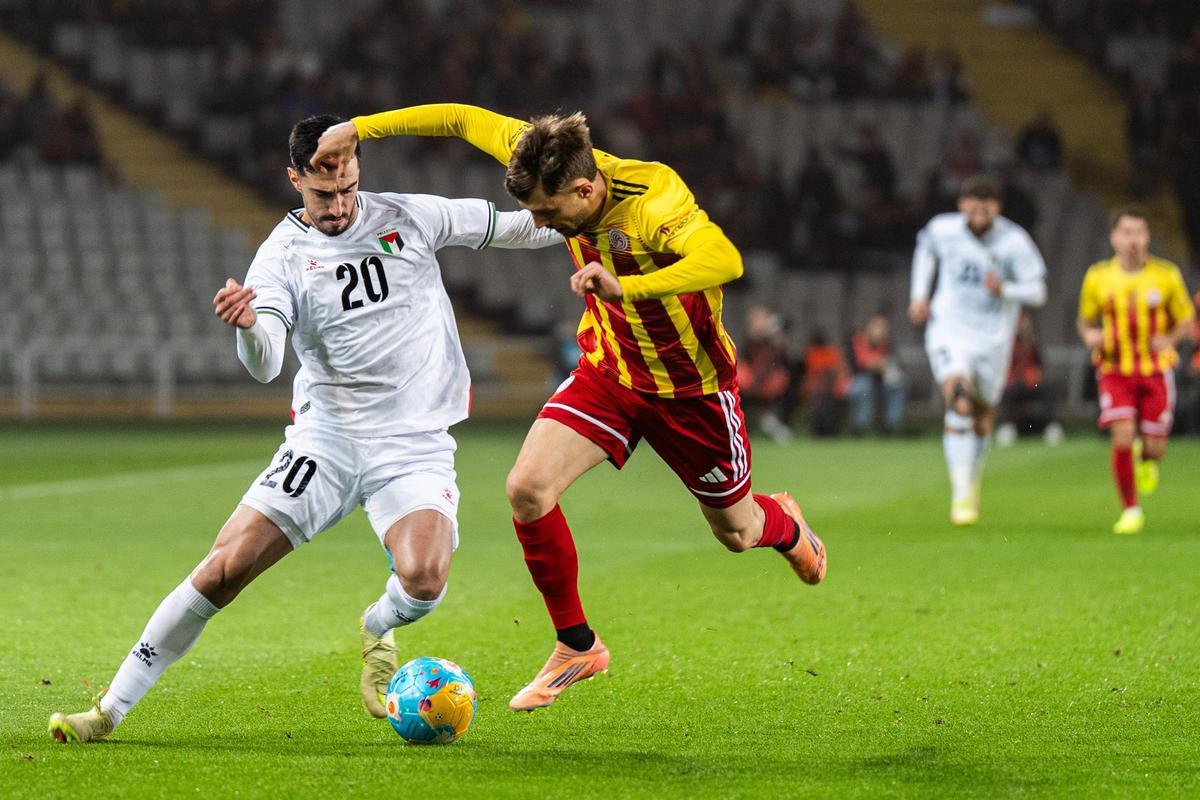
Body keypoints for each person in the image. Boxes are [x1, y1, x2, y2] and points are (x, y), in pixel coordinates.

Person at [47, 114, 562, 743]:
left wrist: (588, 208)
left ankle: (378, 622)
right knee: (223, 569)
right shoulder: (282, 256)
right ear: (294, 179)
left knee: (424, 581)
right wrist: (246, 327)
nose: (340, 205)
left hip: (413, 443)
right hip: (329, 440)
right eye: (323, 193)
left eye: (347, 188)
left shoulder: (411, 215)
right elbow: (266, 364)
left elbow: (523, 226)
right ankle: (108, 710)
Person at [311, 103, 828, 712]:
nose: (541, 223)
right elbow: (457, 119)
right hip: (609, 371)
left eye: (550, 213)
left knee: (737, 532)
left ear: (586, 190)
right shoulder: (550, 162)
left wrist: (624, 285)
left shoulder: (654, 199)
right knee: (527, 489)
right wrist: (358, 130)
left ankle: (786, 525)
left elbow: (725, 260)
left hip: (692, 392)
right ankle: (577, 644)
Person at [908, 175, 1047, 526]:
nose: (980, 210)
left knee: (983, 416)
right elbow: (925, 251)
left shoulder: (1014, 241)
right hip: (949, 329)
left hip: (993, 339)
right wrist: (919, 295)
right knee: (959, 399)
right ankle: (960, 495)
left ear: (997, 208)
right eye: (973, 202)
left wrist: (1006, 289)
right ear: (962, 204)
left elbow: (1038, 292)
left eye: (988, 204)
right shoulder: (943, 229)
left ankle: (972, 478)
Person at [1076, 207, 1194, 534]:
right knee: (1123, 434)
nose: (1133, 239)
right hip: (1115, 369)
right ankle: (1131, 509)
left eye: (1139, 232)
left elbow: (1185, 319)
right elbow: (1085, 321)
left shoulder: (1166, 274)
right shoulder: (1098, 276)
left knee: (1155, 448)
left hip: (1156, 370)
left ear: (1148, 236)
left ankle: (1149, 456)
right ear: (1114, 237)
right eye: (1126, 232)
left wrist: (1169, 338)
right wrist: (1090, 336)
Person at [848, 314, 906, 435]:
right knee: (865, 386)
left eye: (884, 329)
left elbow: (894, 364)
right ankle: (859, 428)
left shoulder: (886, 344)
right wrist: (880, 364)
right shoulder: (858, 340)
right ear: (869, 328)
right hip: (856, 382)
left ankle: (890, 427)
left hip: (881, 382)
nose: (882, 332)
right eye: (878, 328)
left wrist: (880, 365)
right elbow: (865, 364)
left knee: (899, 385)